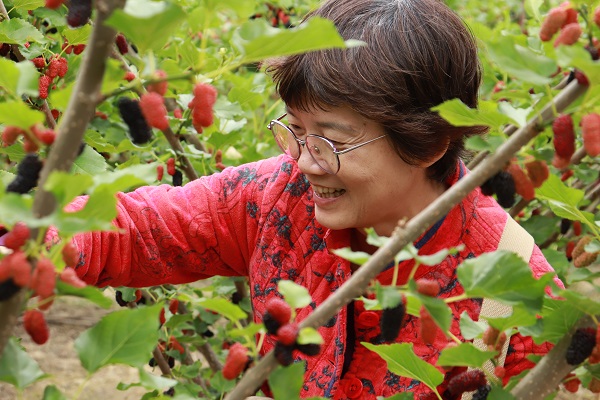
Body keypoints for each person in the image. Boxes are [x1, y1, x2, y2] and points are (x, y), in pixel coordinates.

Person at [47, 0, 559, 398]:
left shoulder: (516, 294)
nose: (306, 162)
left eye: (331, 141)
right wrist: (38, 242)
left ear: (428, 144)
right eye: (295, 131)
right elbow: (137, 230)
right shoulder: (276, 197)